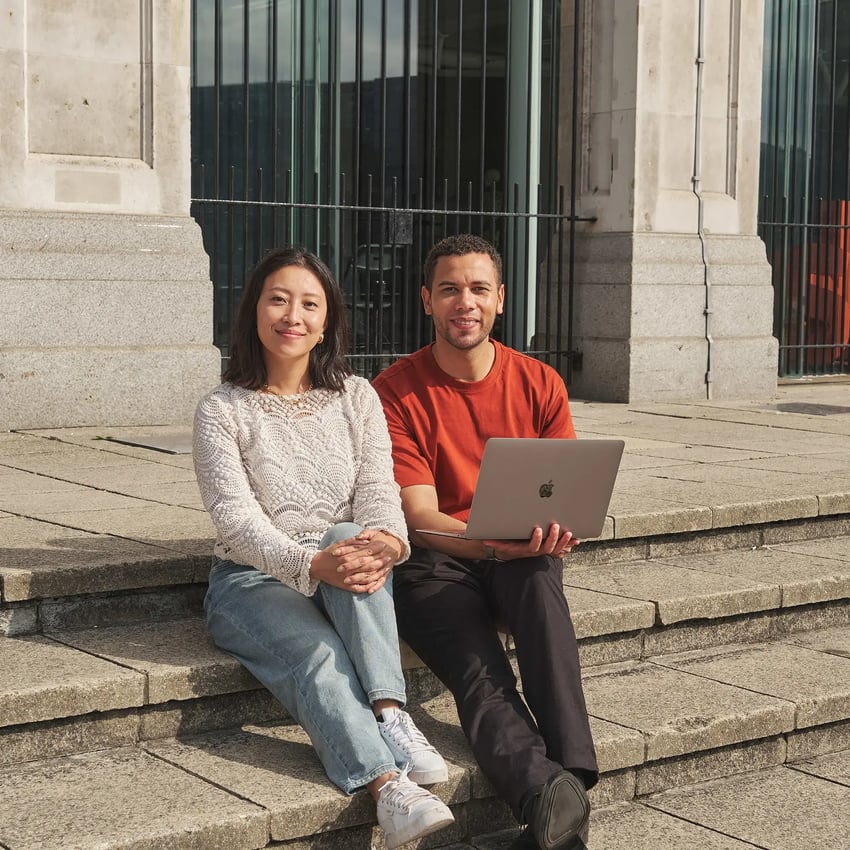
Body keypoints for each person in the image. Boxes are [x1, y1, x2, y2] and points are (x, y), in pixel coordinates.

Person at [192, 246, 454, 850]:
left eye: (310, 303)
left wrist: (387, 541)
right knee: (319, 656)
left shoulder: (356, 395)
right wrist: (311, 565)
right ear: (254, 310)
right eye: (278, 299)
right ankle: (389, 787)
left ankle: (392, 715)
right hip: (253, 579)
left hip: (344, 558)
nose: (293, 316)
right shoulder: (221, 410)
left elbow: (379, 491)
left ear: (329, 319)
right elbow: (234, 521)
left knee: (353, 535)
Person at [372, 234, 597, 850]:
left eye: (476, 289)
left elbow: (565, 490)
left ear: (500, 299)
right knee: (480, 672)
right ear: (426, 300)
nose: (462, 302)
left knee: (542, 595)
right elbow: (420, 517)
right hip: (434, 563)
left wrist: (552, 530)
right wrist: (496, 547)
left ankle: (566, 784)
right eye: (448, 289)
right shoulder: (394, 391)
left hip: (518, 553)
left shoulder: (539, 382)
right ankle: (555, 797)